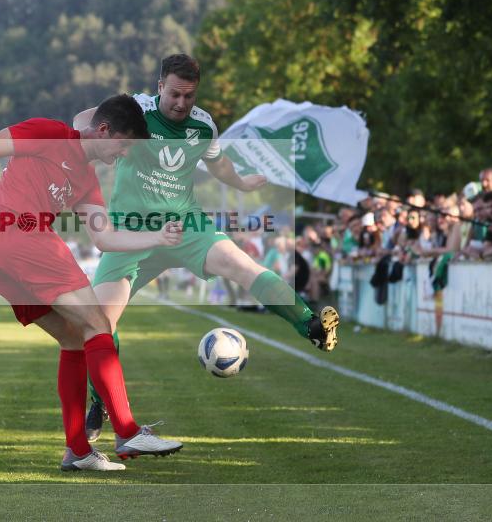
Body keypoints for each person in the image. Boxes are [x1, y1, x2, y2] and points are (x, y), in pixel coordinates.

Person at [74, 54, 340, 441]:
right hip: (131, 233)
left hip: (187, 226)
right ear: (160, 85)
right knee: (98, 322)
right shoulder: (138, 109)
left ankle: (311, 324)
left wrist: (244, 184)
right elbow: (86, 119)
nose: (182, 103)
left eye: (190, 96)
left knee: (243, 266)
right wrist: (79, 138)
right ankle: (99, 403)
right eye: (175, 94)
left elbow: (219, 165)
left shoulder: (203, 125)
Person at [0, 94, 184, 472]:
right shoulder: (51, 132)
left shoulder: (86, 178)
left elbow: (105, 238)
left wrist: (158, 238)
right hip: (18, 236)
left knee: (73, 338)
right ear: (103, 129)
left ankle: (78, 451)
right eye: (124, 144)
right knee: (98, 323)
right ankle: (128, 431)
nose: (124, 154)